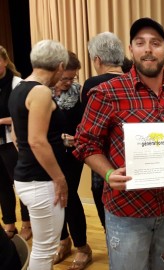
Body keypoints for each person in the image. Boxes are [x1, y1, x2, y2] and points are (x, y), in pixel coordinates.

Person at [73, 18, 164, 270]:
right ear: (131, 49)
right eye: (141, 43)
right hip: (127, 211)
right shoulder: (107, 93)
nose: (148, 49)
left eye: (155, 43)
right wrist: (107, 172)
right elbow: (85, 143)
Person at [8, 39, 69, 270]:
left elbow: (17, 137)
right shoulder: (41, 91)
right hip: (41, 182)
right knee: (45, 250)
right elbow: (35, 141)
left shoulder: (19, 88)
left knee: (43, 248)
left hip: (27, 178)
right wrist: (59, 178)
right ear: (60, 66)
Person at [51, 51, 92, 269]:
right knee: (54, 199)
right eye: (64, 78)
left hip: (73, 154)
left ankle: (83, 247)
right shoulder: (42, 93)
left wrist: (77, 137)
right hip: (49, 154)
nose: (69, 82)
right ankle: (63, 241)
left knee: (68, 197)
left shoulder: (81, 93)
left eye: (72, 78)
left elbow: (87, 124)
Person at [81, 32, 125, 230]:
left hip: (103, 154)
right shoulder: (133, 80)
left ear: (97, 59)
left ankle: (112, 236)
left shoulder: (93, 85)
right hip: (125, 151)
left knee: (102, 192)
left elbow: (87, 128)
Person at [0, 45, 32, 241]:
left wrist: (1, 121)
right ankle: (9, 224)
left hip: (13, 141)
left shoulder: (17, 83)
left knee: (20, 184)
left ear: (4, 61)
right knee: (2, 185)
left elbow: (23, 113)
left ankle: (27, 223)